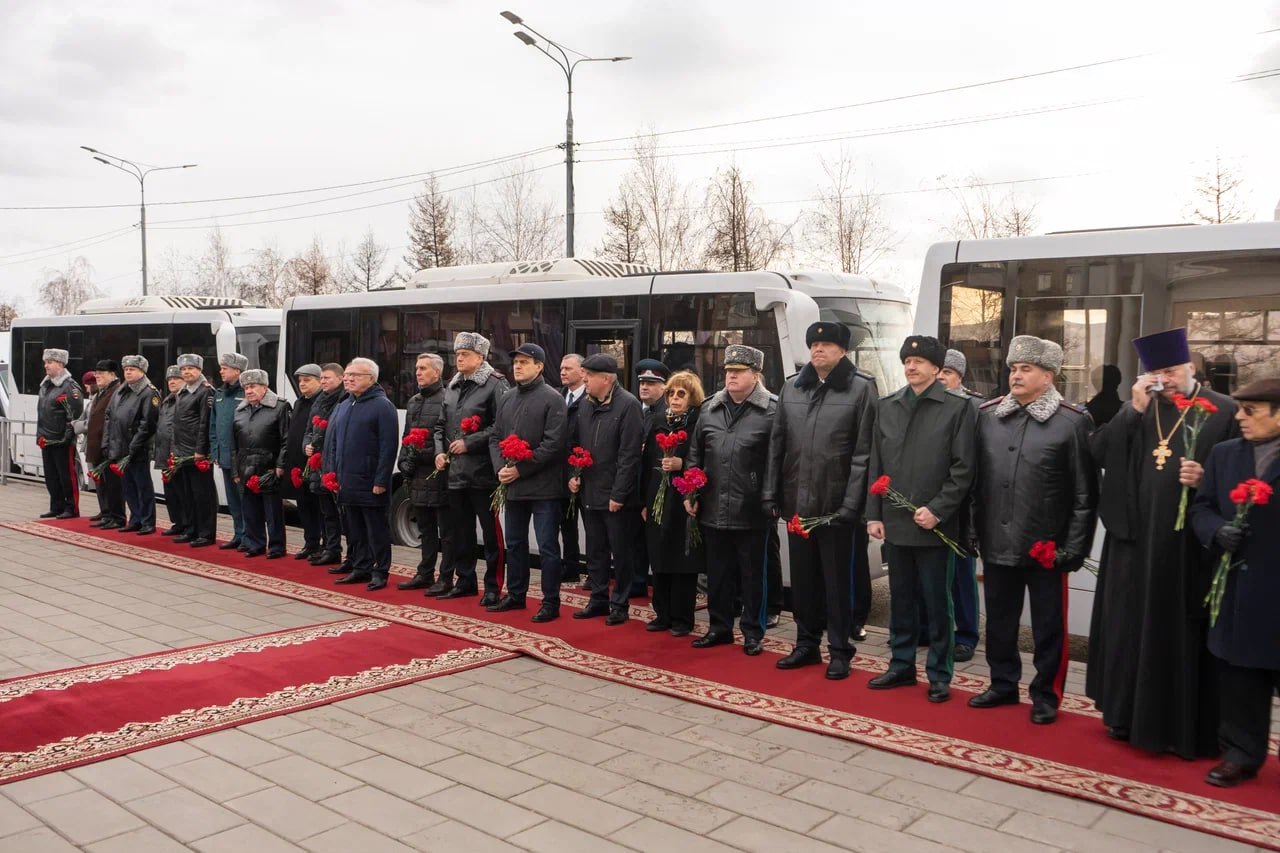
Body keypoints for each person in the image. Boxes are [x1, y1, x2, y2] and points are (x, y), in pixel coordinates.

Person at [1087, 327, 1237, 757]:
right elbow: (1098, 454)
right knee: (1132, 628)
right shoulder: (1140, 408)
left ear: (1191, 368)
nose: (1165, 380)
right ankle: (1124, 716)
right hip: (1135, 543)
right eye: (1157, 372)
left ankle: (1179, 726)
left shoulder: (1223, 411)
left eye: (1172, 370)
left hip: (1188, 548)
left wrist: (1209, 479)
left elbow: (1241, 477)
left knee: (1178, 631)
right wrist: (1129, 412)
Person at [967, 336, 1097, 723]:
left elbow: (1085, 492)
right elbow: (976, 482)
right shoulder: (988, 416)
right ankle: (1002, 684)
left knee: (1048, 626)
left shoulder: (1072, 422)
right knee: (1001, 621)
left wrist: (1073, 547)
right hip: (997, 541)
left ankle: (1046, 694)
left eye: (1026, 369)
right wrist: (975, 532)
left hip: (1046, 546)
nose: (1016, 375)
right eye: (1013, 368)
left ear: (1048, 375)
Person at [763, 322, 877, 680]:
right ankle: (806, 644)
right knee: (805, 580)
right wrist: (771, 493)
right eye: (814, 343)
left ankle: (841, 649)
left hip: (836, 508)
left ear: (842, 350)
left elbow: (864, 453)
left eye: (826, 344)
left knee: (837, 582)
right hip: (798, 502)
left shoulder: (861, 389)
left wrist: (851, 504)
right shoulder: (792, 387)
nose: (818, 350)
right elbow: (777, 445)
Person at [866, 336, 975, 703]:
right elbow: (875, 464)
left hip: (935, 526)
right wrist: (874, 515)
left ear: (936, 367)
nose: (911, 367)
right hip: (895, 523)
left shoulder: (957, 408)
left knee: (937, 600)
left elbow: (963, 469)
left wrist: (939, 509)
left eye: (919, 361)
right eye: (907, 361)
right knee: (901, 597)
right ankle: (901, 664)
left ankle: (940, 673)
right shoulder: (888, 405)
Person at [1190, 378, 1280, 788]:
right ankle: (1241, 754)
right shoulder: (1226, 455)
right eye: (1240, 409)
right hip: (1237, 590)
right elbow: (1202, 507)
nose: (1240, 417)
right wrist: (1216, 531)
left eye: (1252, 410)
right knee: (1240, 679)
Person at [686, 345, 777, 654]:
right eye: (728, 371)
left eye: (738, 372)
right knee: (717, 573)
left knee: (752, 575)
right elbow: (695, 455)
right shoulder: (710, 408)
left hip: (751, 508)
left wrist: (769, 500)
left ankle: (753, 632)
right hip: (712, 506)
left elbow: (779, 462)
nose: (731, 376)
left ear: (756, 375)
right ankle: (719, 627)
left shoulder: (773, 411)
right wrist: (690, 491)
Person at [489, 343, 569, 619]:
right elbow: (495, 437)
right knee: (515, 543)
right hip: (513, 486)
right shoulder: (508, 398)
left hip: (544, 487)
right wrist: (501, 467)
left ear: (539, 366)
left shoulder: (553, 398)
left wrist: (520, 469)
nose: (518, 366)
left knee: (547, 546)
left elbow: (553, 445)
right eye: (516, 362)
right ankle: (516, 594)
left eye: (525, 362)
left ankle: (550, 601)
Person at [914, 348, 982, 663]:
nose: (942, 378)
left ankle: (966, 635)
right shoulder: (922, 404)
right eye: (939, 372)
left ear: (960, 378)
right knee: (926, 575)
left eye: (949, 374)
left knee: (961, 575)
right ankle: (927, 629)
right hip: (924, 505)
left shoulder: (974, 408)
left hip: (960, 509)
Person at [569, 353, 644, 625]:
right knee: (595, 550)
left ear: (606, 378)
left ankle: (620, 603)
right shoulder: (585, 405)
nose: (584, 380)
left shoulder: (628, 405)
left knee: (621, 552)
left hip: (616, 497)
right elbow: (576, 445)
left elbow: (629, 456)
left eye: (588, 375)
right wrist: (574, 474)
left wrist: (618, 494)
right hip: (589, 491)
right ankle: (598, 599)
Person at [433, 333, 509, 604]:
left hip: (484, 472)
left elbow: (501, 427)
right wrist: (439, 452)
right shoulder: (452, 386)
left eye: (465, 354)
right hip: (455, 474)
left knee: (490, 534)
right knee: (461, 532)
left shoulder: (495, 384)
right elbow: (440, 426)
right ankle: (465, 580)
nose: (459, 359)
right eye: (457, 354)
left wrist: (470, 442)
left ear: (480, 357)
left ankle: (493, 586)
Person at [641, 370, 705, 637]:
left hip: (683, 500)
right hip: (658, 496)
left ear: (692, 398)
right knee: (659, 556)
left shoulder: (697, 424)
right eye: (671, 393)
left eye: (682, 394)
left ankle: (682, 617)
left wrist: (683, 464)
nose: (675, 398)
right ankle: (662, 613)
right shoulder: (658, 420)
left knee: (682, 560)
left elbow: (704, 459)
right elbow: (646, 465)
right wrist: (644, 502)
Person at [330, 357, 399, 590]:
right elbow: (336, 443)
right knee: (354, 528)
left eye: (354, 375)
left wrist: (381, 480)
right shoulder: (345, 404)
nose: (347, 379)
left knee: (376, 529)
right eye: (347, 374)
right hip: (347, 479)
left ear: (370, 379)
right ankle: (361, 567)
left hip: (370, 481)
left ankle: (380, 571)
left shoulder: (382, 406)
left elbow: (388, 447)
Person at [399, 353, 451, 593]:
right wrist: (403, 460)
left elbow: (446, 438)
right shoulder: (414, 401)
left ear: (437, 373)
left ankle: (446, 576)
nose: (418, 372)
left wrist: (425, 452)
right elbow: (407, 435)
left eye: (423, 368)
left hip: (439, 473)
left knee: (446, 531)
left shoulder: (447, 399)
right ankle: (425, 572)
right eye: (417, 368)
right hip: (418, 474)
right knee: (425, 529)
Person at [232, 368, 290, 558]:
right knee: (250, 509)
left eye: (253, 386)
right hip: (245, 464)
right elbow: (234, 442)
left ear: (265, 387)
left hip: (268, 465)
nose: (249, 391)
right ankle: (255, 543)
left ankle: (276, 546)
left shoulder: (280, 407)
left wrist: (280, 466)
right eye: (246, 387)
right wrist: (235, 470)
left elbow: (286, 439)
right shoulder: (240, 410)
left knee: (272, 510)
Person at [105, 355, 162, 535]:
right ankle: (135, 518)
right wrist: (109, 442)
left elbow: (148, 424)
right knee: (128, 486)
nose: (128, 372)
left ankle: (147, 521)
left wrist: (133, 447)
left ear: (142, 371)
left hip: (137, 448)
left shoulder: (148, 392)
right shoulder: (121, 390)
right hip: (121, 446)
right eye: (126, 369)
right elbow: (110, 416)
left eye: (132, 369)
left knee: (142, 485)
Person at [633, 358, 671, 598]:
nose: (644, 387)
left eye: (651, 383)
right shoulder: (638, 410)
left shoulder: (665, 415)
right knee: (636, 541)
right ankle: (637, 583)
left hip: (654, 487)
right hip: (638, 485)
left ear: (663, 386)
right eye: (642, 383)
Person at [171, 353, 218, 547]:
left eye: (190, 368)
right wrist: (175, 450)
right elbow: (177, 423)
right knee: (187, 494)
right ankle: (191, 529)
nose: (186, 372)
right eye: (183, 369)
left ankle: (205, 533)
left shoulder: (205, 391)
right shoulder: (183, 391)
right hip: (182, 451)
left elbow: (204, 423)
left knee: (202, 495)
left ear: (199, 370)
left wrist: (200, 450)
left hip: (197, 452)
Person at [305, 363, 346, 568]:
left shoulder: (343, 399)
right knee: (324, 509)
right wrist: (307, 446)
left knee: (336, 510)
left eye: (327, 378)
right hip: (317, 462)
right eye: (321, 378)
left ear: (340, 379)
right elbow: (309, 429)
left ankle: (335, 549)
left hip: (332, 462)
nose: (323, 382)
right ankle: (328, 547)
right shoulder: (319, 400)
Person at [36, 348, 85, 519]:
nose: (46, 366)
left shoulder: (70, 387)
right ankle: (56, 505)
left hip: (62, 440)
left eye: (49, 362)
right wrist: (39, 435)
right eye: (45, 362)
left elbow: (74, 416)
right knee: (51, 476)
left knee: (67, 476)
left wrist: (67, 437)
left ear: (60, 364)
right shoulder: (46, 385)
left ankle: (72, 508)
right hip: (47, 438)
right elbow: (42, 413)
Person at [284, 364, 323, 561]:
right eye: (300, 381)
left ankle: (323, 545)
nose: (302, 384)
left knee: (318, 506)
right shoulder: (300, 403)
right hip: (298, 464)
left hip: (314, 464)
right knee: (303, 505)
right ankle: (310, 542)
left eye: (307, 380)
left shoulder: (321, 403)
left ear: (319, 381)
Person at [209, 353, 248, 551]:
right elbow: (213, 425)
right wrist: (215, 450)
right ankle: (238, 533)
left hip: (241, 457)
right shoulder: (219, 394)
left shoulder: (246, 392)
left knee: (245, 499)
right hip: (224, 455)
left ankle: (249, 536)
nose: (221, 371)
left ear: (237, 371)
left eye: (225, 367)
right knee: (232, 500)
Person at [83, 360, 124, 529]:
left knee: (113, 484)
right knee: (102, 482)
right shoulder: (102, 391)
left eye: (102, 373)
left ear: (112, 374)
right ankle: (106, 512)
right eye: (97, 373)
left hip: (107, 444)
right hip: (97, 443)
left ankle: (116, 516)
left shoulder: (116, 391)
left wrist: (108, 444)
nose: (97, 376)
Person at [559, 354, 587, 585]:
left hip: (584, 472)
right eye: (561, 368)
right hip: (561, 472)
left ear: (582, 372)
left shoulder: (591, 398)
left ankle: (596, 572)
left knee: (591, 526)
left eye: (568, 368)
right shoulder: (558, 397)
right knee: (566, 523)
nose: (563, 372)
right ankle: (570, 567)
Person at [155, 366, 187, 536]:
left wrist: (175, 453)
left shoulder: (184, 400)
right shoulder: (167, 400)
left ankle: (187, 523)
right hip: (165, 453)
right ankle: (177, 522)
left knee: (182, 492)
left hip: (178, 455)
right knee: (171, 493)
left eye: (176, 379)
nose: (172, 382)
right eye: (170, 379)